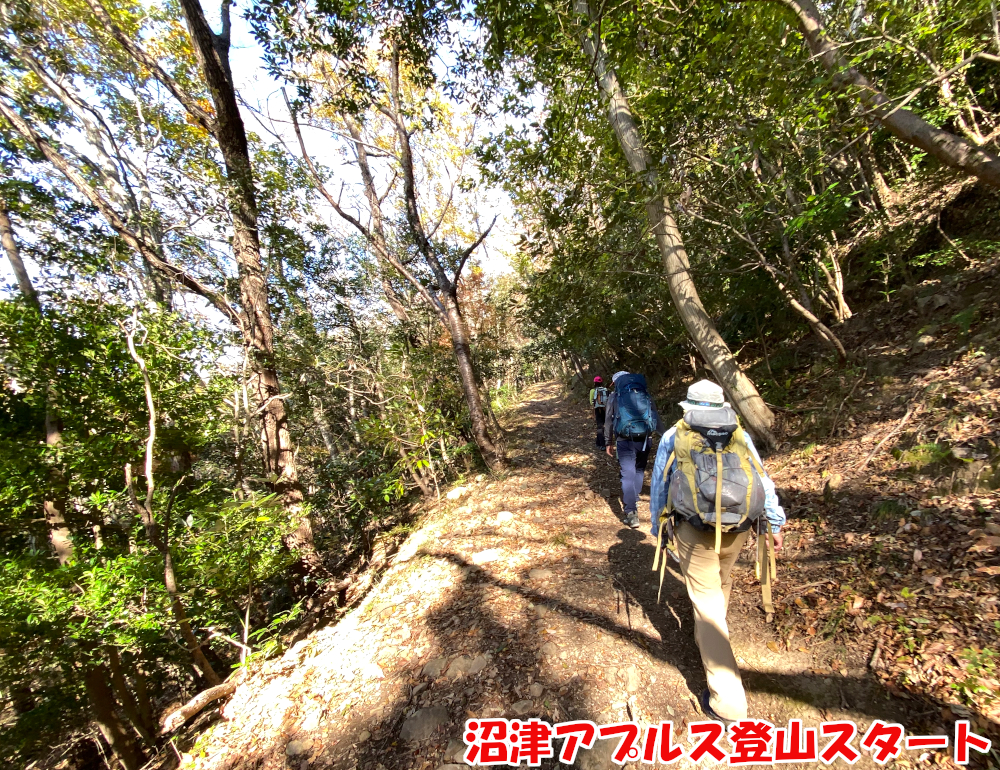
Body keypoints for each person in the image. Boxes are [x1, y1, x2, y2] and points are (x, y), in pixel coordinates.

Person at [649, 379, 785, 725]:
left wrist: (657, 528)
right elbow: (762, 478)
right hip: (738, 528)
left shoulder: (674, 435)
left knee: (707, 604)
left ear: (689, 406)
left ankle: (728, 702)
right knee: (719, 586)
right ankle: (709, 637)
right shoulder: (738, 433)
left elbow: (661, 486)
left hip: (694, 529)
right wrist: (774, 521)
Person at [604, 371, 664, 529]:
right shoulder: (644, 394)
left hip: (625, 440)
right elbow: (655, 415)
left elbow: (608, 420)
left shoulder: (614, 396)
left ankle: (631, 513)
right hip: (645, 439)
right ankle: (633, 496)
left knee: (627, 474)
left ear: (616, 383)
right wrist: (664, 435)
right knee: (639, 469)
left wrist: (607, 441)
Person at [589, 376, 608, 449]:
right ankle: (598, 442)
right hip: (605, 409)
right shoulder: (605, 390)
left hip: (598, 409)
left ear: (594, 383)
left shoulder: (592, 391)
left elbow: (591, 402)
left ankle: (602, 445)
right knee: (603, 425)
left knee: (600, 426)